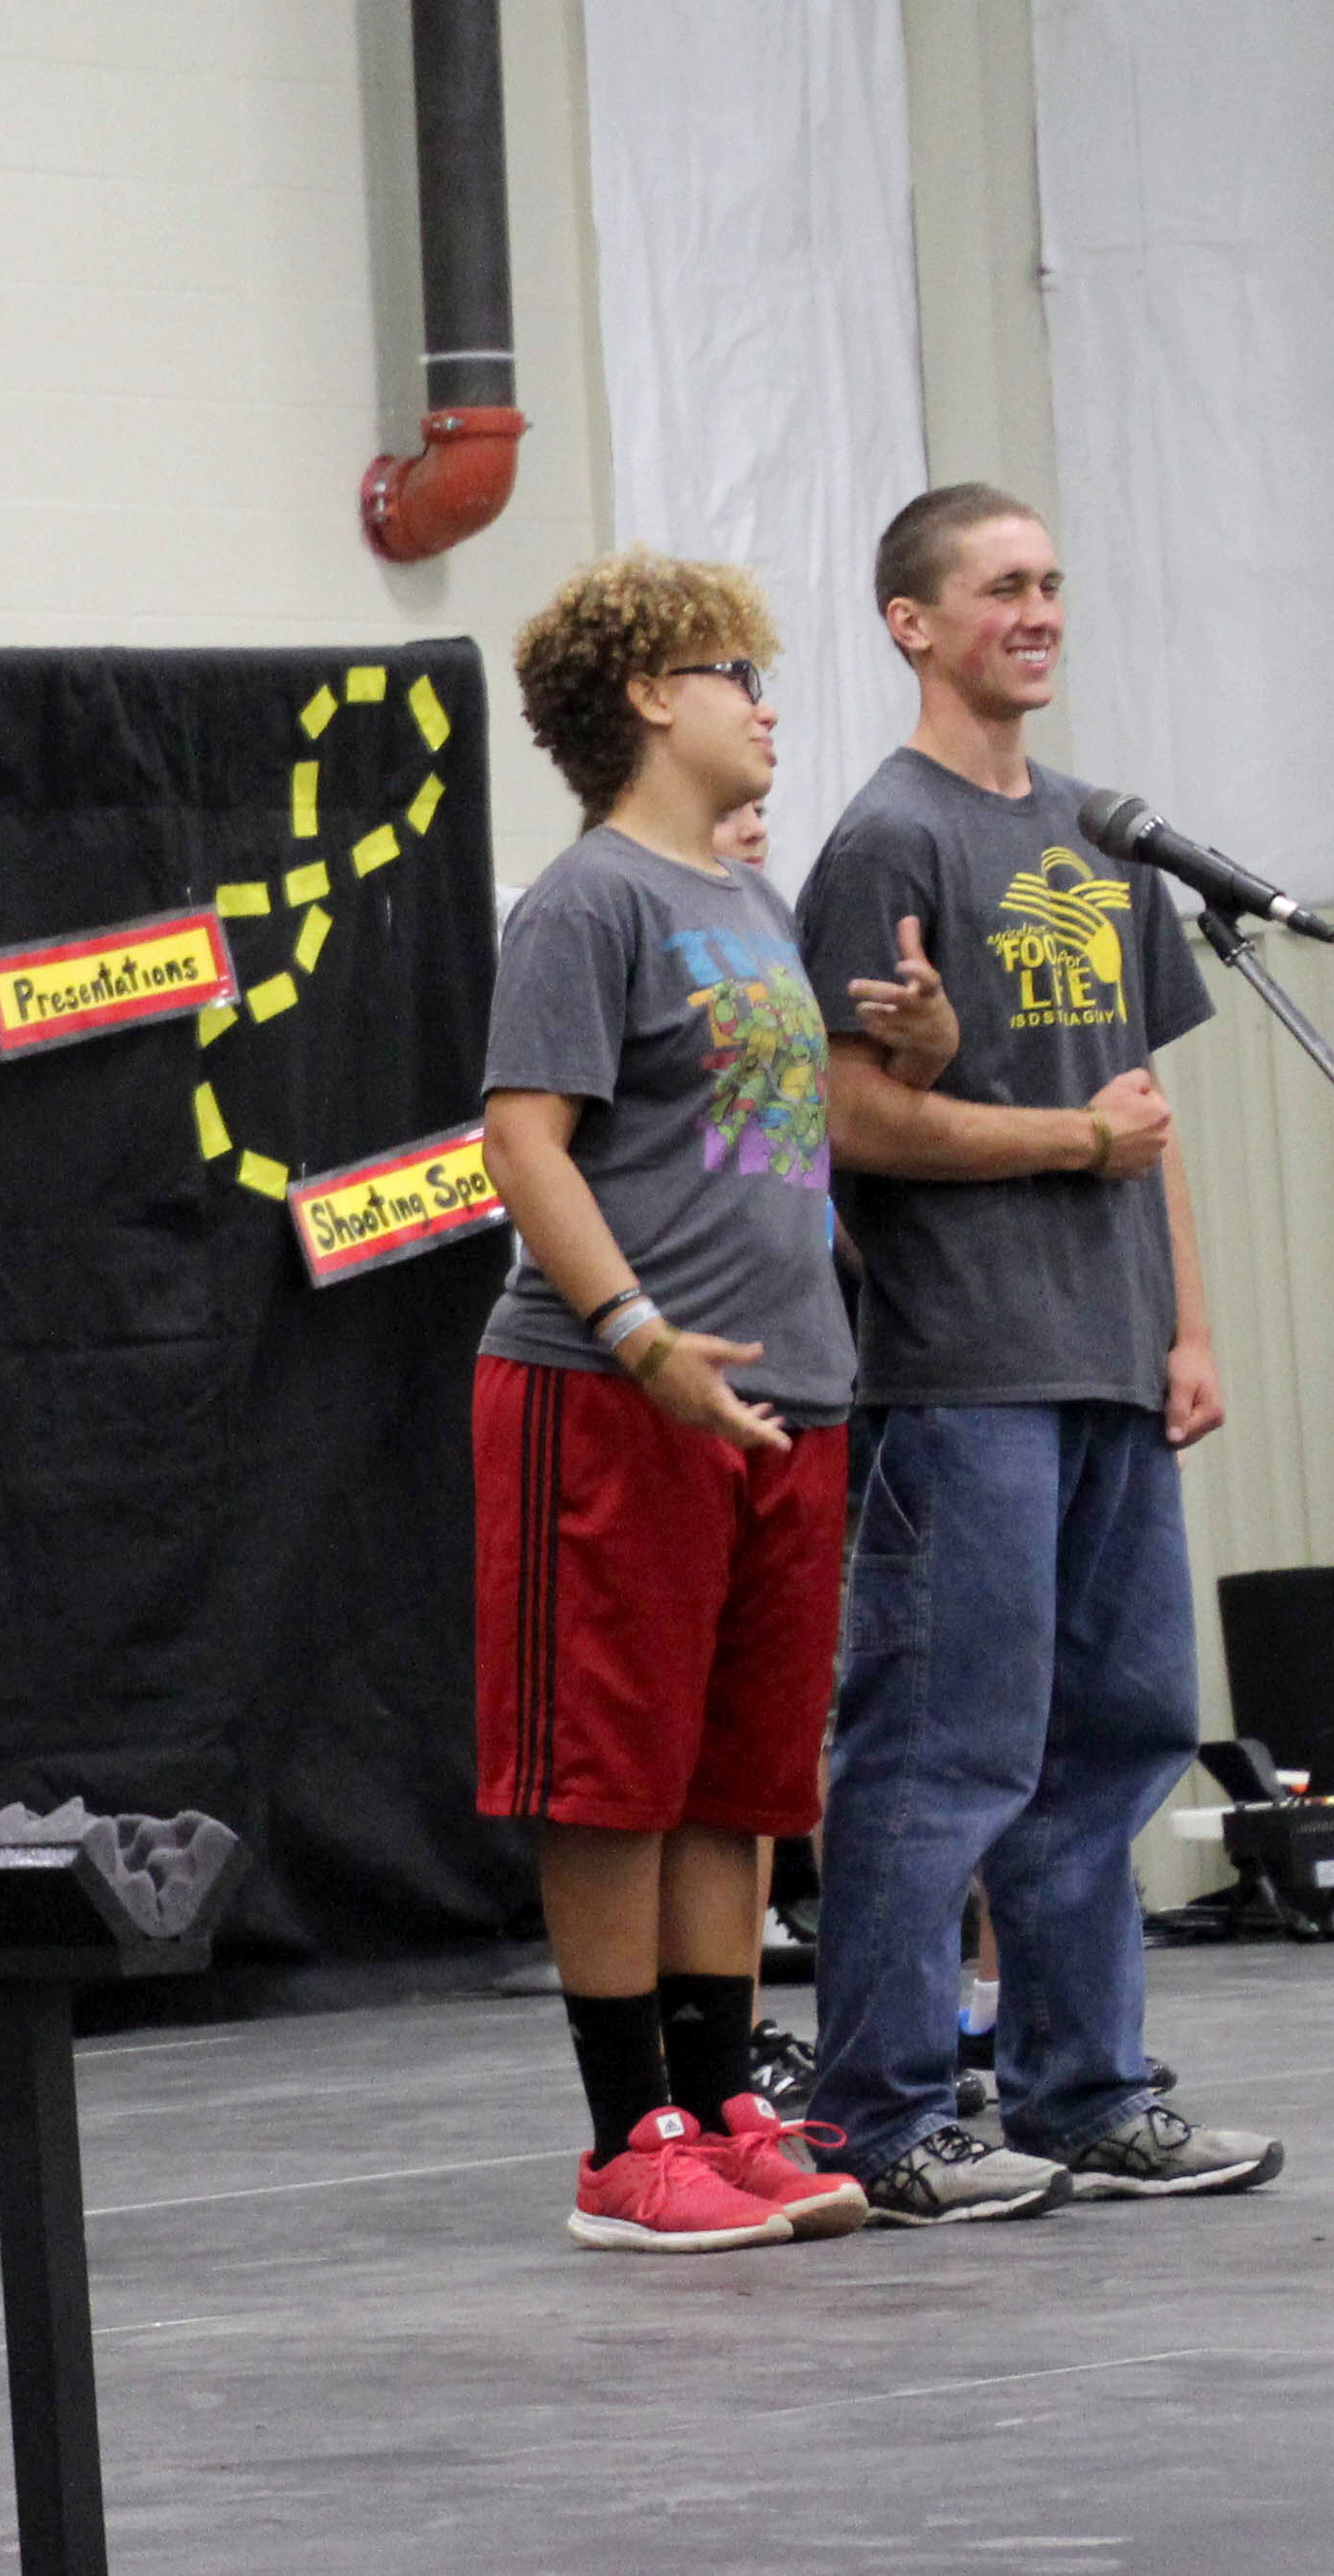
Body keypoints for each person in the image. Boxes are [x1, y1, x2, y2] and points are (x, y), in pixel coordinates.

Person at [793, 483, 1282, 2220]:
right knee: (943, 1746)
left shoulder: (1104, 831)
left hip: (1108, 1362)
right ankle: (883, 2109)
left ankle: (1082, 2087)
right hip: (962, 1364)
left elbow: (1148, 1116)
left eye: (1056, 583)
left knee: (1120, 1734)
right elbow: (847, 1113)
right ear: (912, 622)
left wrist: (1192, 1323)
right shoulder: (886, 840)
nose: (1043, 610)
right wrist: (1074, 1145)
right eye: (1005, 586)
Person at [479, 551, 943, 2251]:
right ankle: (627, 2137)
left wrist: (928, 1049)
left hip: (787, 1393)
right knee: (618, 1769)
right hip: (616, 1394)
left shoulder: (748, 903)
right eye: (733, 666)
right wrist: (640, 1331)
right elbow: (522, 1137)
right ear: (649, 698)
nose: (766, 696)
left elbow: (767, 1140)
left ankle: (723, 2088)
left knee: (741, 1778)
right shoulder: (588, 899)